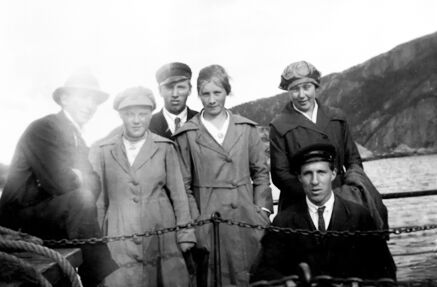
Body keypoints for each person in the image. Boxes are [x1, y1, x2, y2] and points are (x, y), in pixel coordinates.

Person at [0, 73, 118, 287]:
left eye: (94, 101)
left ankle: (94, 277)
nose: (90, 105)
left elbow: (96, 184)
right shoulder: (45, 128)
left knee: (83, 198)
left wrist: (79, 176)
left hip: (49, 217)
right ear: (64, 99)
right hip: (18, 222)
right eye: (84, 97)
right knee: (81, 199)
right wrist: (80, 176)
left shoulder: (76, 138)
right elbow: (60, 182)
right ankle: (97, 280)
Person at [174, 65, 273, 286]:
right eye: (205, 93)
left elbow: (261, 173)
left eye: (217, 93)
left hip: (247, 219)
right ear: (198, 94)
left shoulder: (246, 128)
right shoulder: (187, 134)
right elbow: (184, 186)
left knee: (252, 275)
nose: (211, 100)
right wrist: (196, 222)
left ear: (226, 92)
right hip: (210, 222)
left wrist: (262, 211)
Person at [89, 86, 196, 287]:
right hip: (119, 234)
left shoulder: (165, 147)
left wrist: (185, 234)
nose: (137, 120)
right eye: (130, 114)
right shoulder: (102, 150)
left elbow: (179, 195)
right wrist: (96, 242)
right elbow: (99, 201)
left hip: (161, 231)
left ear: (150, 115)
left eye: (143, 114)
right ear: (121, 116)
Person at [250, 143, 396, 283]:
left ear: (333, 174)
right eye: (308, 174)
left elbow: (384, 269)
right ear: (300, 178)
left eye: (321, 172)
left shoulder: (359, 216)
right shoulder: (284, 222)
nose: (315, 181)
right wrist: (286, 283)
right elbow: (264, 271)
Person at [270, 60, 363, 212]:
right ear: (288, 91)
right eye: (294, 89)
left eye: (306, 87)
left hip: (341, 199)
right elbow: (280, 174)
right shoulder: (279, 125)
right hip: (299, 204)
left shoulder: (336, 117)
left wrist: (350, 190)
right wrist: (314, 195)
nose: (301, 95)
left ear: (316, 87)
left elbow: (353, 160)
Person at [150, 62, 198, 138]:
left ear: (189, 90)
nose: (175, 94)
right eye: (169, 87)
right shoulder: (148, 125)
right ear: (160, 91)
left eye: (181, 87)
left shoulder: (203, 122)